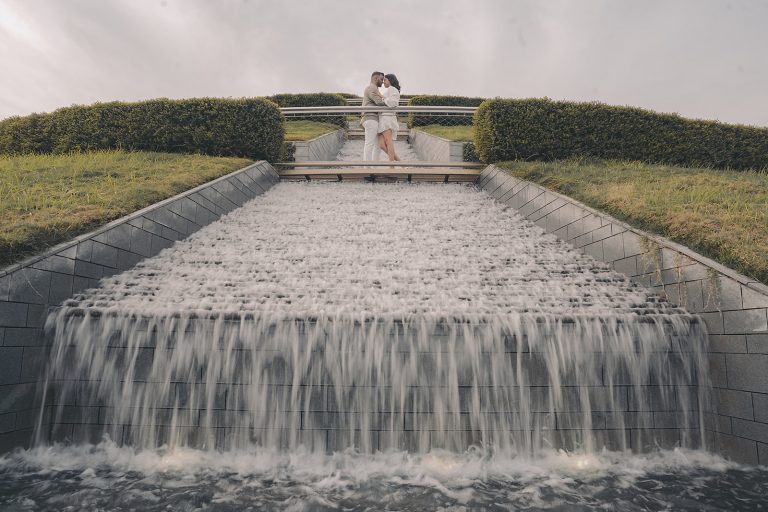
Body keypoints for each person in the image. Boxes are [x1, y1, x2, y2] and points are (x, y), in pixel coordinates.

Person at [374, 74, 401, 161]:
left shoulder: (392, 89)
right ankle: (400, 163)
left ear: (390, 80)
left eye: (385, 79)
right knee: (381, 145)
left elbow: (393, 103)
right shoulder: (390, 90)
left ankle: (391, 166)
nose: (383, 81)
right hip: (383, 118)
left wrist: (381, 96)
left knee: (388, 142)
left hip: (387, 118)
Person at [361, 71, 386, 162]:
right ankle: (367, 169)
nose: (383, 81)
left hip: (373, 119)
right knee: (369, 144)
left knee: (377, 145)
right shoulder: (372, 87)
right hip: (371, 119)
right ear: (376, 78)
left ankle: (374, 166)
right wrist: (390, 101)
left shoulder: (373, 88)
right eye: (381, 79)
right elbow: (379, 102)